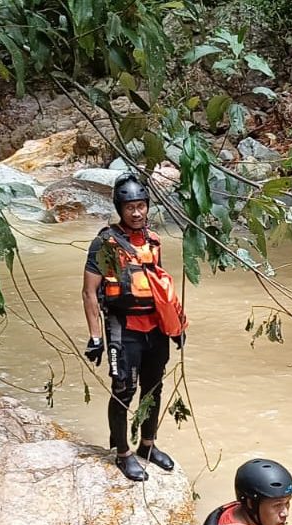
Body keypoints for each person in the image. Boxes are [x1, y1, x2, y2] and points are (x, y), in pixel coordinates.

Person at [81, 173, 186, 482]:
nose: (137, 213)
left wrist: (176, 326)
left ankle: (148, 446)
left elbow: (159, 287)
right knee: (123, 391)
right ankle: (123, 453)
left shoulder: (153, 241)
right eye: (130, 207)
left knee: (153, 388)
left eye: (141, 206)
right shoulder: (105, 243)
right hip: (123, 327)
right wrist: (95, 337)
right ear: (119, 208)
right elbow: (89, 292)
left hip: (154, 329)